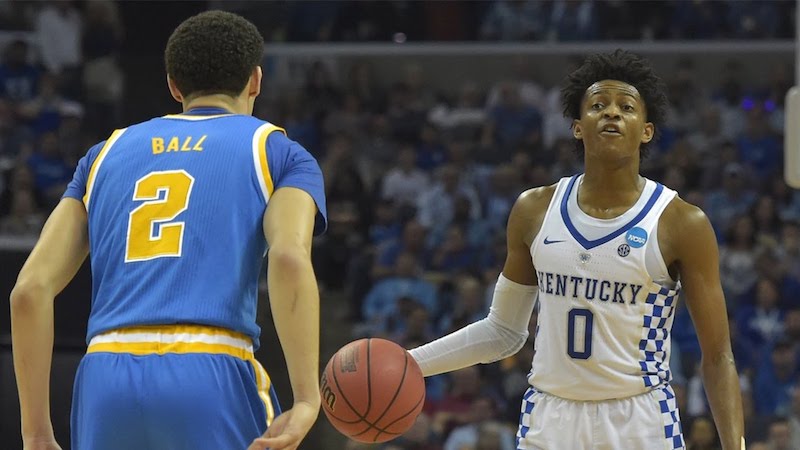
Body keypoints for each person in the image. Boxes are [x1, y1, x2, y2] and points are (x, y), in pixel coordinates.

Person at [10, 11, 326, 450]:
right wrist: (307, 398)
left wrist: (35, 432)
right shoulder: (279, 152)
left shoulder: (103, 155)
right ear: (255, 80)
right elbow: (289, 258)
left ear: (174, 86)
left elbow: (28, 291)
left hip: (106, 373)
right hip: (210, 365)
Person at [409, 50, 744, 449]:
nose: (612, 113)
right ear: (577, 127)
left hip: (639, 420)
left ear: (647, 130)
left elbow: (718, 355)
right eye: (598, 105)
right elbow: (503, 332)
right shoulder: (534, 209)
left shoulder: (681, 222)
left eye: (626, 107)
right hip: (550, 418)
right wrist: (409, 364)